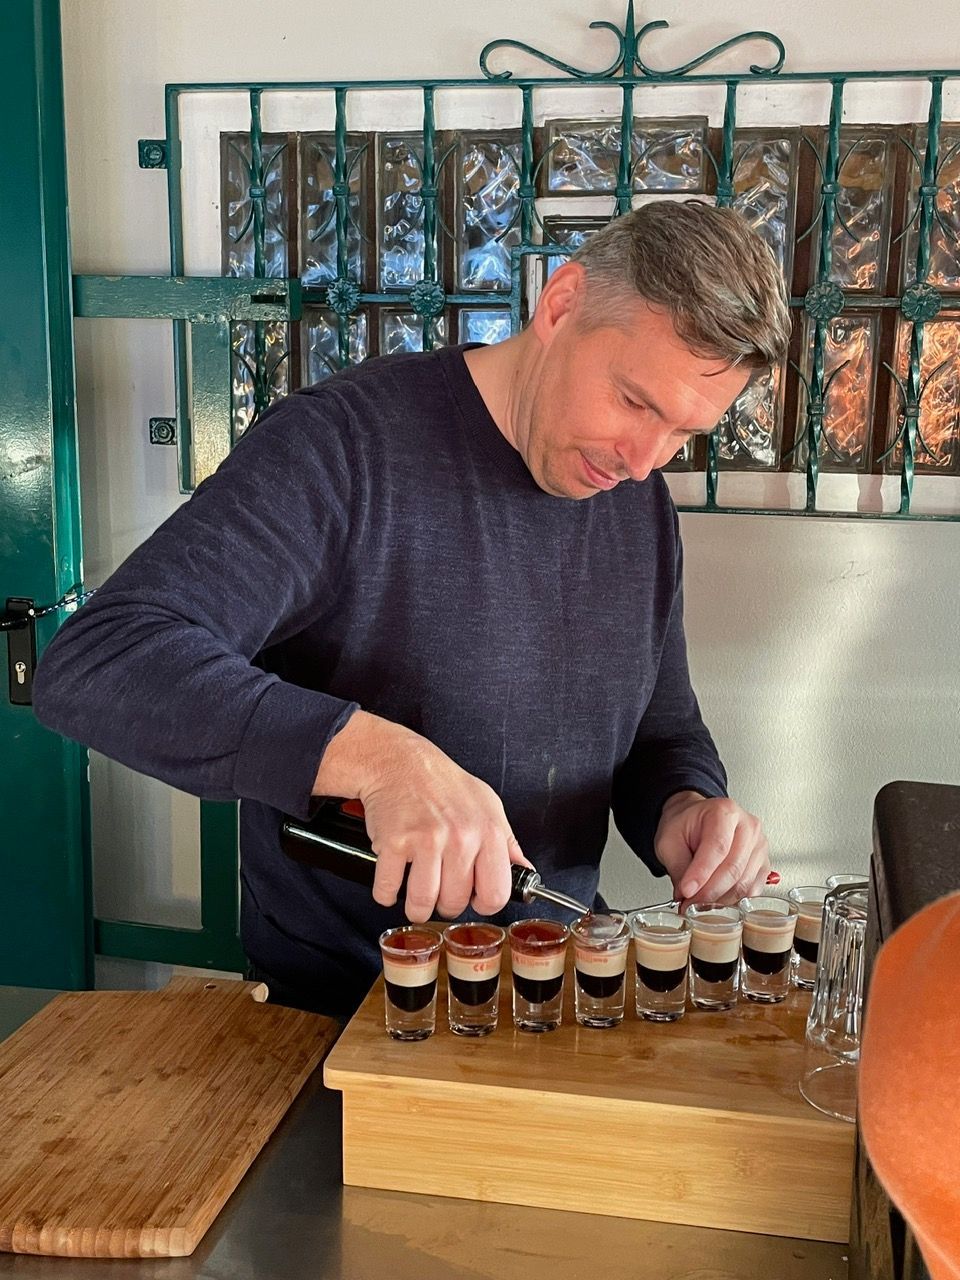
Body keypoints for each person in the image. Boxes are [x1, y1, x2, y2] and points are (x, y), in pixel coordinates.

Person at [33, 199, 792, 1019]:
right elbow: (101, 660)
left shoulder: (637, 504)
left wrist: (686, 807)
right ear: (561, 303)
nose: (644, 460)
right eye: (635, 402)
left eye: (683, 433)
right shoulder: (341, 448)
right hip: (350, 1012)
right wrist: (375, 756)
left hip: (557, 989)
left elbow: (661, 731)